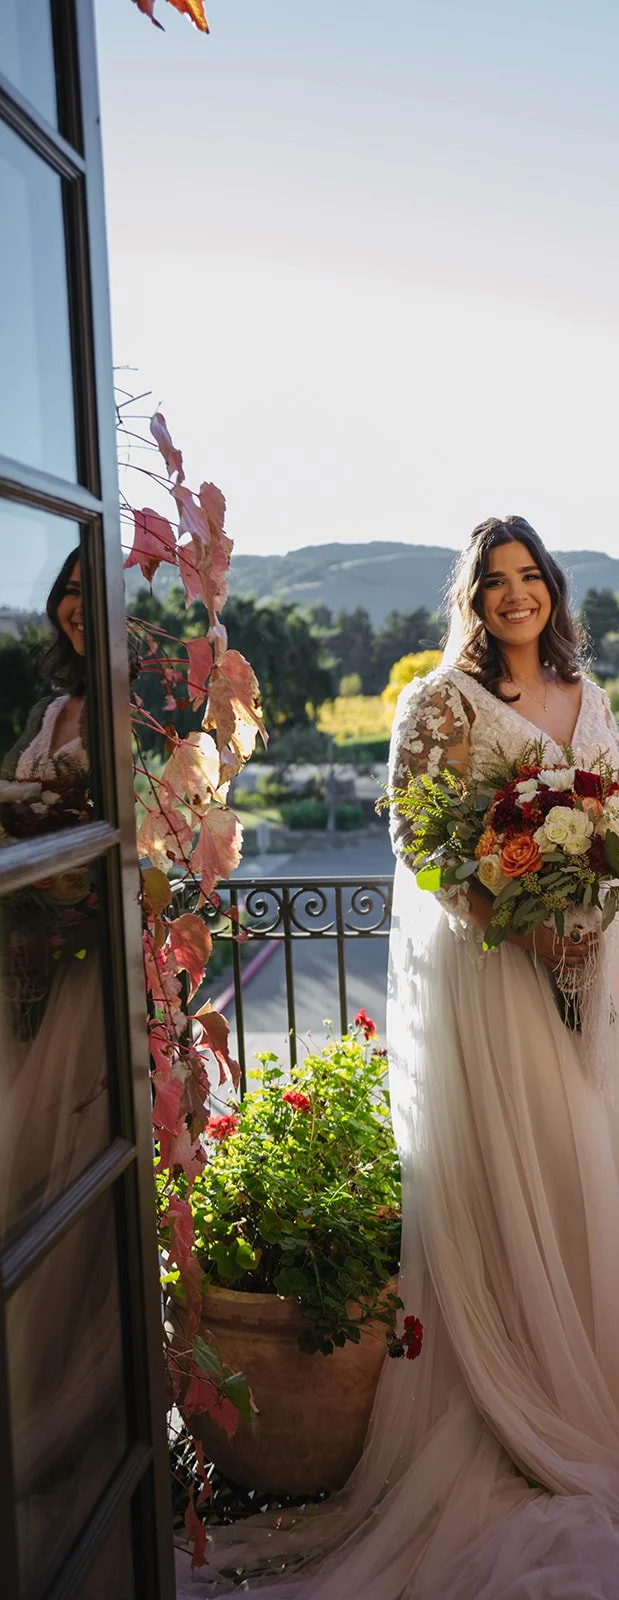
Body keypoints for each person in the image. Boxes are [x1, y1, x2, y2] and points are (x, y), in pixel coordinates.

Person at [197, 519, 619, 1598]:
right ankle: (512, 1413)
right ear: (470, 597)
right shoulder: (438, 703)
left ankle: (595, 1410)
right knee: (514, 1174)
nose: (514, 595)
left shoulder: (585, 693)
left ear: (551, 589)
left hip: (592, 971)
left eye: (528, 577)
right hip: (495, 977)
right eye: (494, 581)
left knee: (586, 1169)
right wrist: (509, 910)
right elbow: (415, 837)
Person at [0, 551, 122, 1591]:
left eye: (95, 590)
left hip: (98, 978)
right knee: (25, 1169)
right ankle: (32, 1385)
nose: (78, 609)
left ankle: (86, 1404)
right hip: (35, 968)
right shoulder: (50, 715)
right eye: (67, 593)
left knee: (80, 1166)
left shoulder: (139, 711)